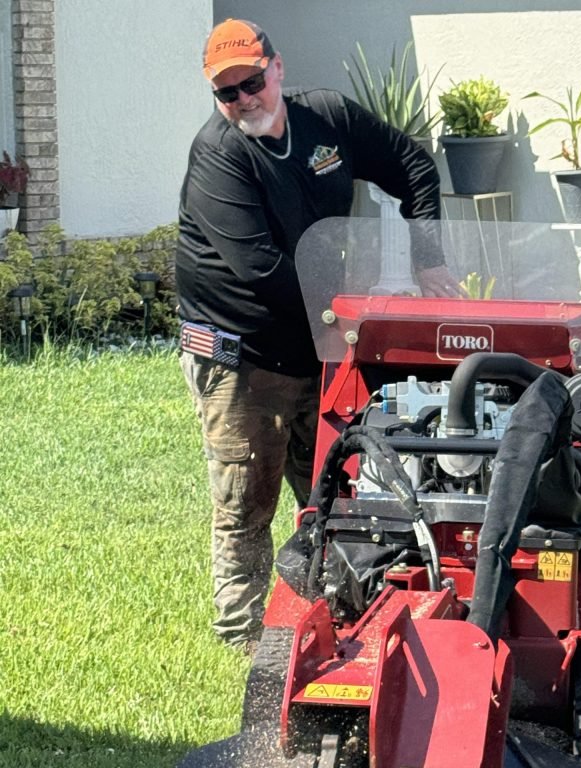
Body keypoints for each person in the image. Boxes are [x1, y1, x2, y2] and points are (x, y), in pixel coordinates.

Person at [176, 18, 459, 651]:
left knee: (338, 488)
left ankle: (338, 613)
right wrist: (349, 315)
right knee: (246, 498)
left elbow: (413, 165)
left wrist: (428, 259)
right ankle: (243, 637)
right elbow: (260, 268)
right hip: (241, 353)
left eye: (252, 82)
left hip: (322, 340)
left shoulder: (327, 117)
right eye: (227, 92)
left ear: (277, 69)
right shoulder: (219, 154)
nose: (244, 99)